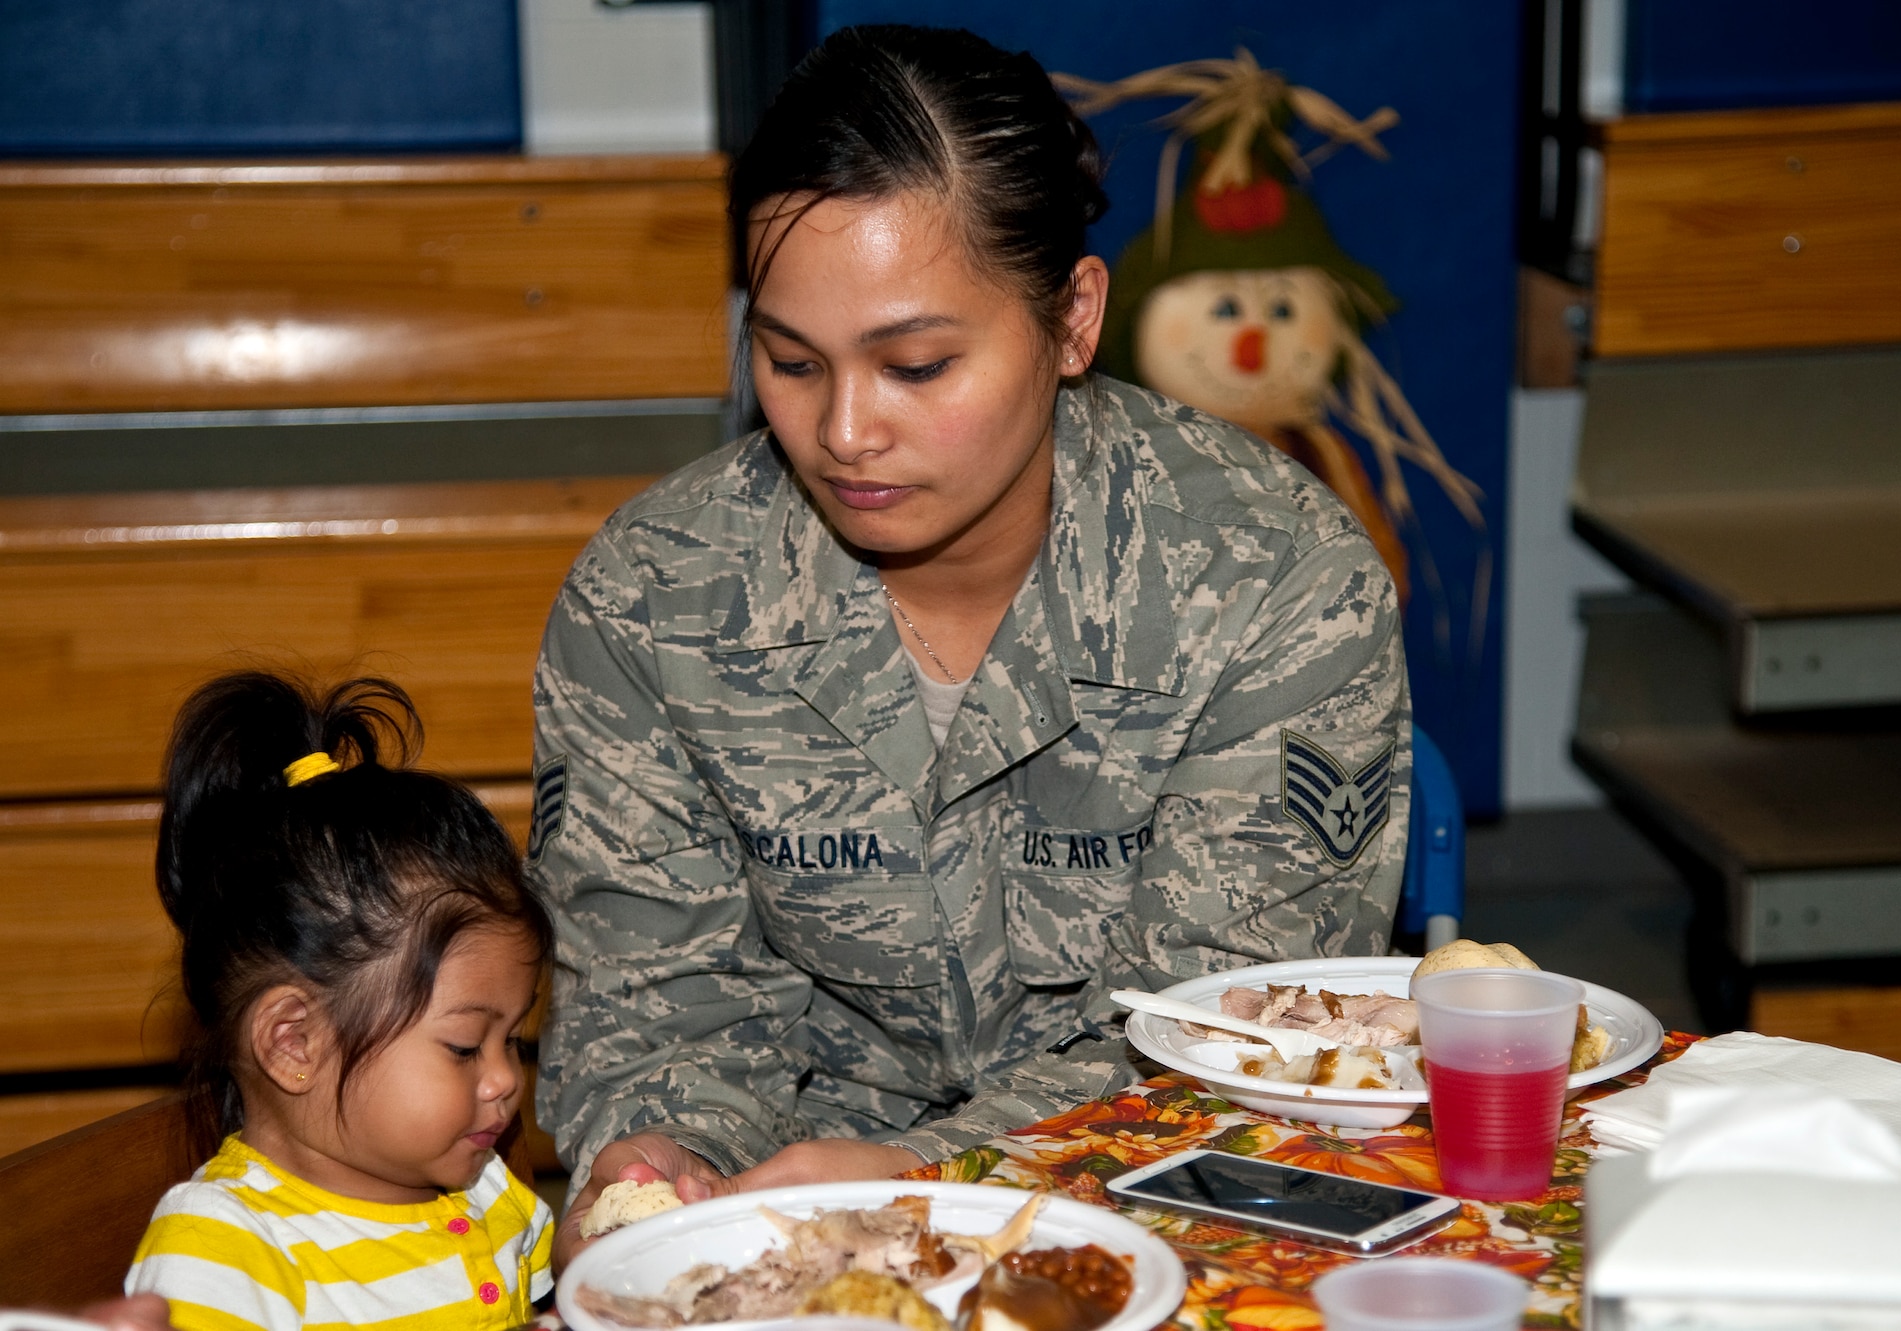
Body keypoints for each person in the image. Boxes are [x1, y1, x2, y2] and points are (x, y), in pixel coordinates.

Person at [533, 23, 1411, 1266]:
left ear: (1070, 320)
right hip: (780, 1220)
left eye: (916, 364)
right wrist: (657, 1157)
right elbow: (656, 1008)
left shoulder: (1269, 579)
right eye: (789, 361)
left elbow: (1236, 1049)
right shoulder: (652, 602)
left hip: (1160, 1201)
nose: (843, 430)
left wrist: (937, 1177)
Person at [124, 673, 557, 1328]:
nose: (503, 1079)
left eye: (513, 1040)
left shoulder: (486, 1190)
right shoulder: (222, 1255)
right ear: (295, 1042)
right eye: (465, 1047)